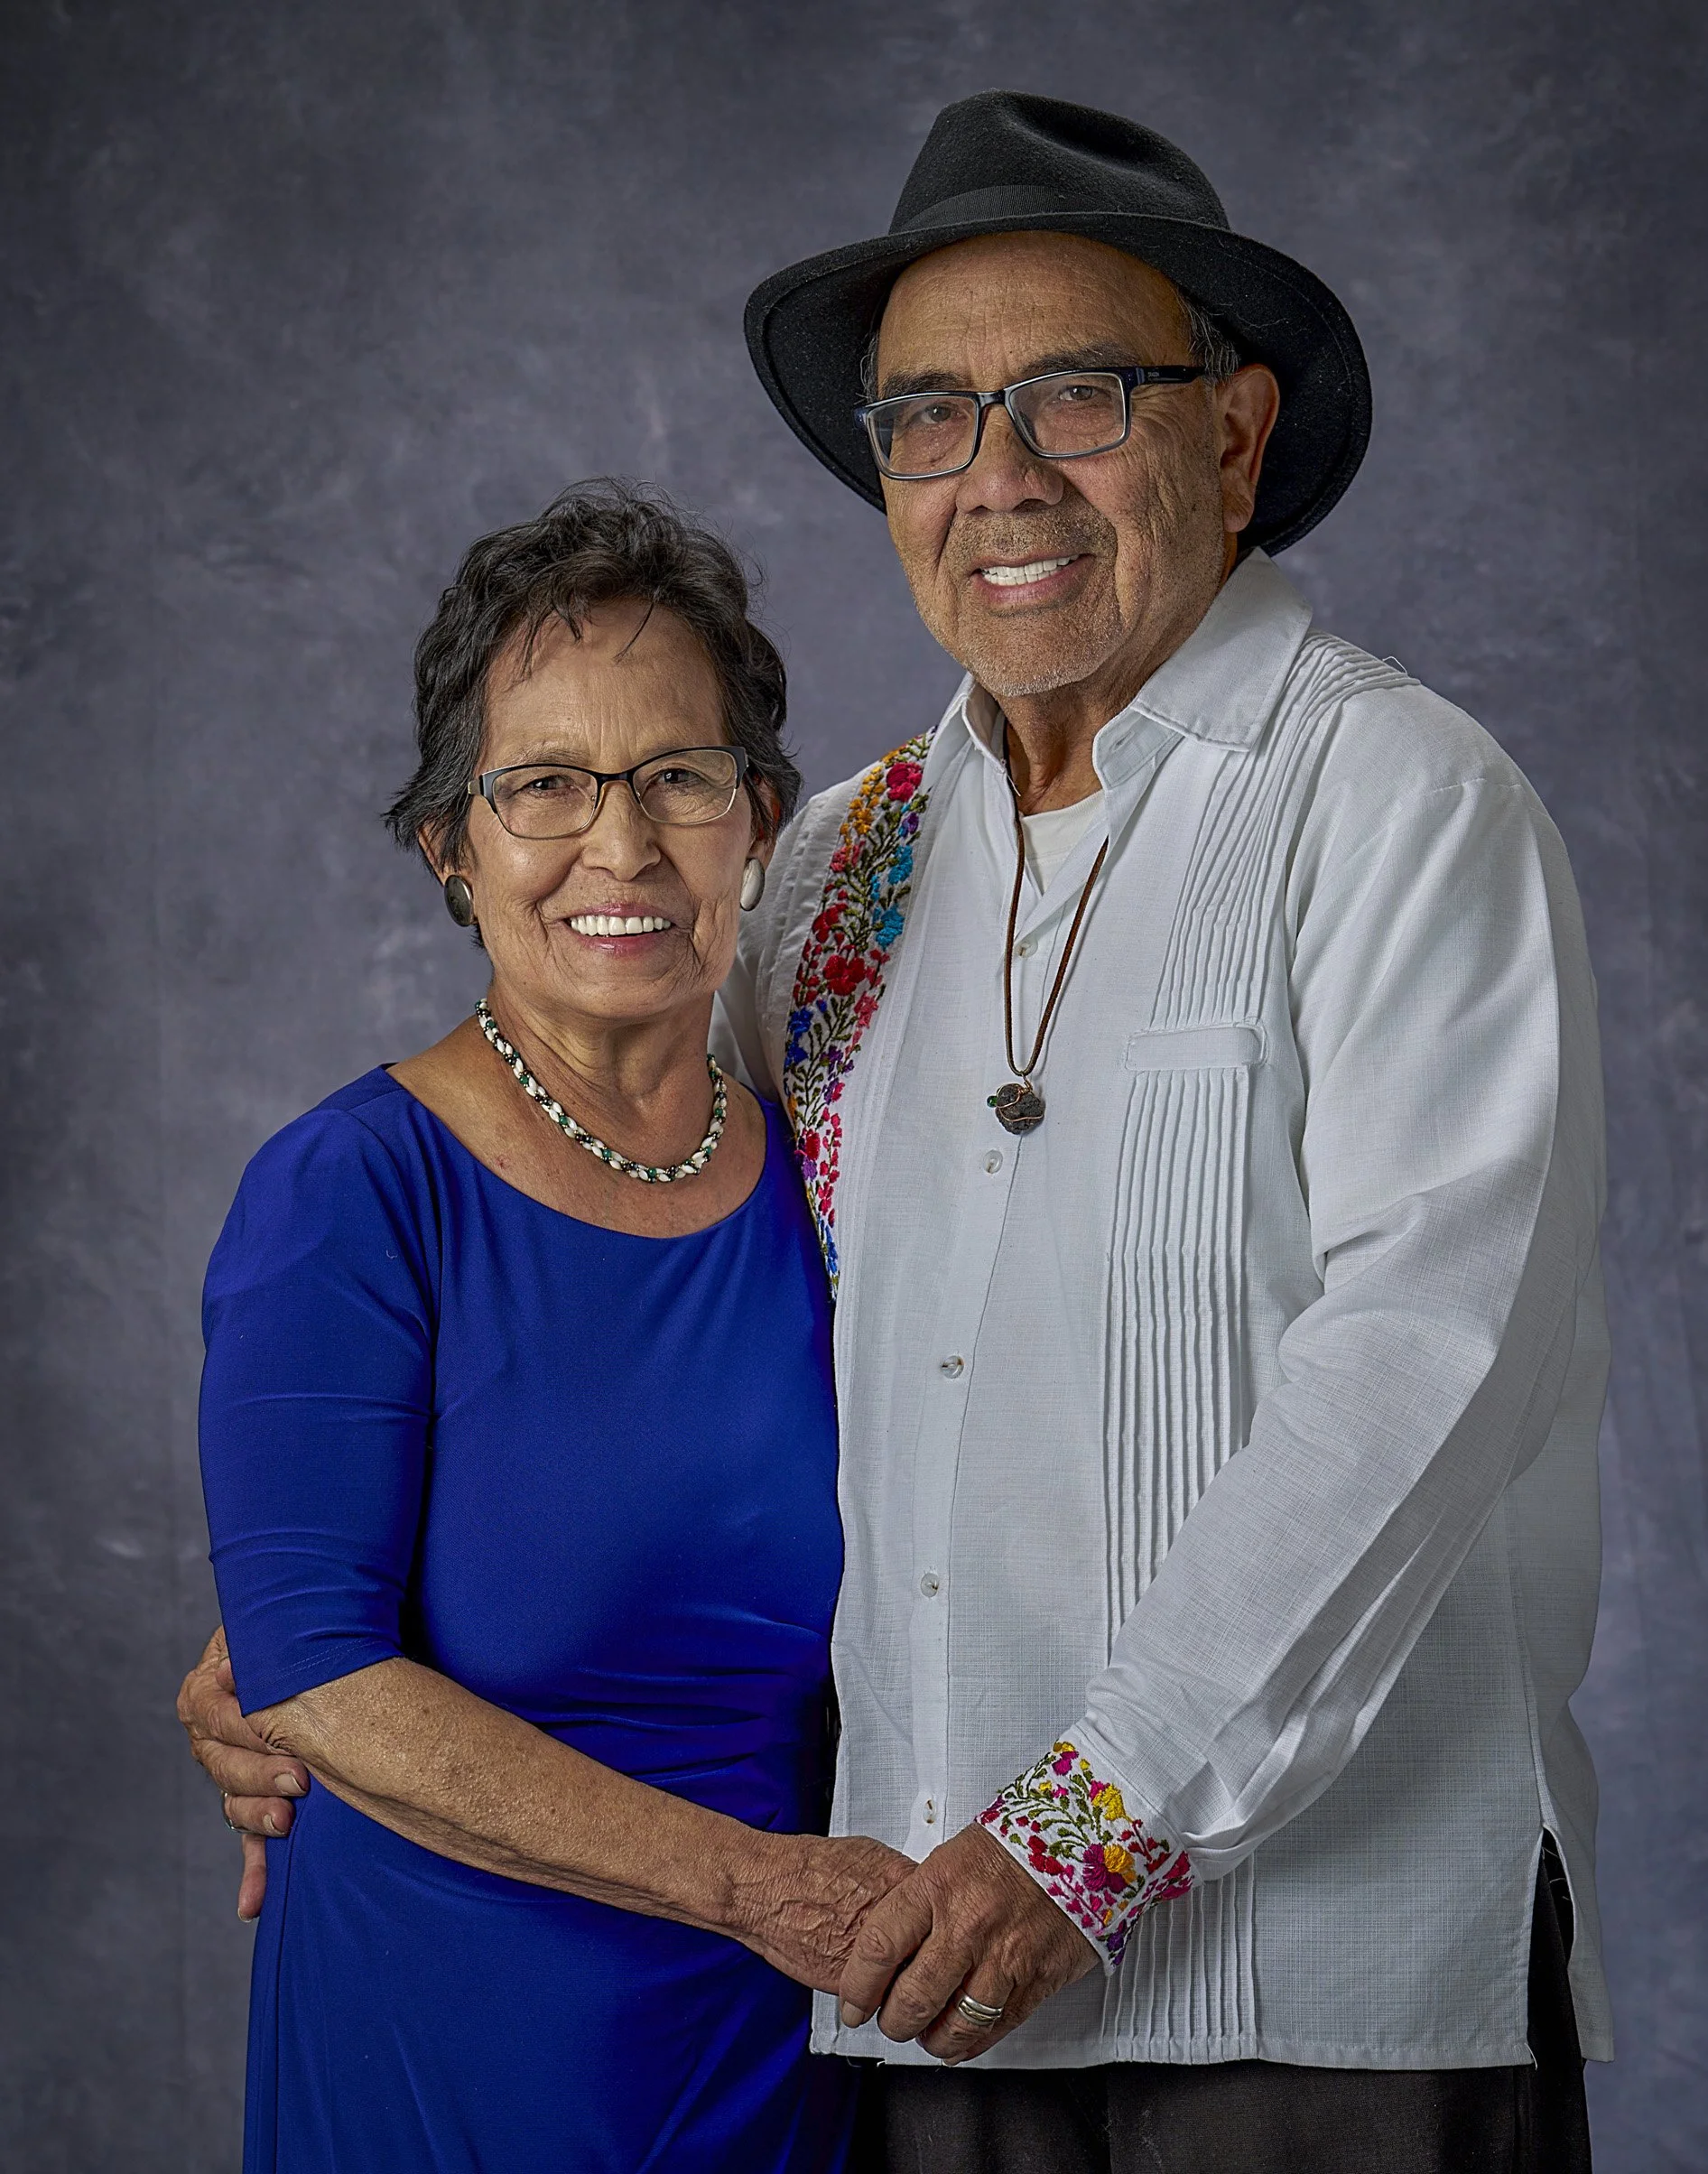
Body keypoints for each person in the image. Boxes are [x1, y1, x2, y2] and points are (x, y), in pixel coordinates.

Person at [190, 93, 1610, 2173]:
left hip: (1312, 1984)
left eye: (1077, 398)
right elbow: (638, 1240)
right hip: (915, 2004)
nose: (999, 477)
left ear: (1231, 435)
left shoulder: (1393, 800)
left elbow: (1423, 1364)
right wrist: (305, 1627)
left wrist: (1082, 1833)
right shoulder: (839, 865)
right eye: (929, 418)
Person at [186, 481, 911, 2174]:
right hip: (452, 2049)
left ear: (761, 817)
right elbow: (313, 1671)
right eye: (546, 789)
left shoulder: (838, 1167)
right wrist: (764, 1890)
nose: (624, 846)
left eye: (679, 776)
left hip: (776, 2052)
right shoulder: (351, 1193)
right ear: (451, 844)